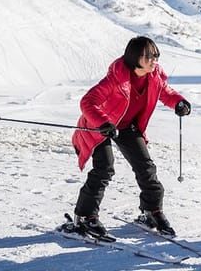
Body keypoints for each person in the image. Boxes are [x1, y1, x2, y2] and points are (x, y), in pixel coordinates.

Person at [70, 36, 191, 239]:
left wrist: (178, 102)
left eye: (156, 55)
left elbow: (166, 92)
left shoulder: (154, 76)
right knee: (104, 168)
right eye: (149, 56)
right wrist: (103, 123)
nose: (154, 60)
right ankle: (84, 216)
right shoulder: (116, 78)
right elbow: (88, 102)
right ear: (135, 58)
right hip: (101, 126)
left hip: (126, 126)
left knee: (146, 167)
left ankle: (151, 211)